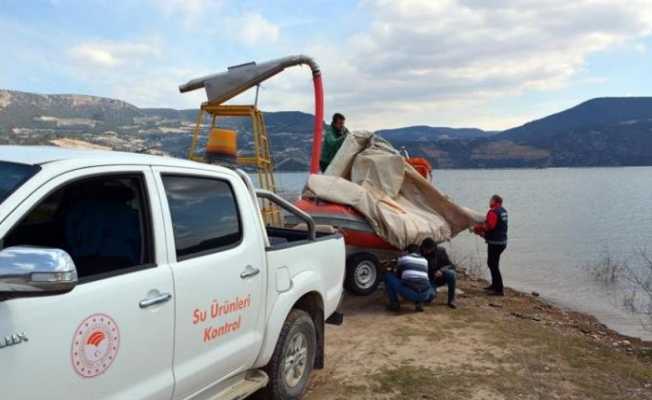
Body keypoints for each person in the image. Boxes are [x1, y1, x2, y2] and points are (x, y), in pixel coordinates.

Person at [473, 194, 508, 296]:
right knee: (493, 263)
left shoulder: (493, 212)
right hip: (502, 242)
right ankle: (494, 285)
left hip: (495, 243)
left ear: (494, 201)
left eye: (490, 200)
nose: (489, 202)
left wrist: (478, 228)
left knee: (493, 264)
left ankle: (499, 289)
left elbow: (490, 226)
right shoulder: (503, 211)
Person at [385, 244, 435, 312]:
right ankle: (419, 303)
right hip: (425, 295)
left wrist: (400, 256)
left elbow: (393, 267)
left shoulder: (404, 258)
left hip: (411, 294)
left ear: (407, 252)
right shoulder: (425, 260)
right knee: (422, 282)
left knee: (388, 276)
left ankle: (394, 304)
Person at [420, 238, 457, 309]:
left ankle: (451, 300)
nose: (426, 252)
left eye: (428, 250)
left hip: (439, 277)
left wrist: (441, 270)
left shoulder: (441, 251)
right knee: (429, 297)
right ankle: (431, 293)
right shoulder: (419, 252)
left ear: (433, 248)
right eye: (425, 249)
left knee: (451, 274)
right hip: (427, 280)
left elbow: (451, 265)